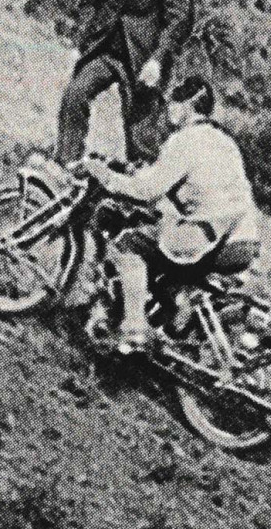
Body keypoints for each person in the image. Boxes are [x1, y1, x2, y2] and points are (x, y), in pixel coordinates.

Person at [81, 76, 260, 355]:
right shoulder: (225, 142)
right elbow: (197, 189)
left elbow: (147, 192)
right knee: (168, 263)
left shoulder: (184, 140)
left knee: (129, 244)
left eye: (172, 103)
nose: (168, 109)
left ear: (187, 105)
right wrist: (138, 173)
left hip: (210, 237)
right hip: (244, 241)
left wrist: (104, 175)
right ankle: (178, 307)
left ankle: (133, 329)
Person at [56, 0, 194, 168]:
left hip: (144, 55)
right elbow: (88, 0)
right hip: (104, 48)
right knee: (75, 94)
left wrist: (158, 59)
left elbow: (180, 16)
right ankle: (67, 165)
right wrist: (82, 40)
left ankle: (143, 184)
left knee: (141, 127)